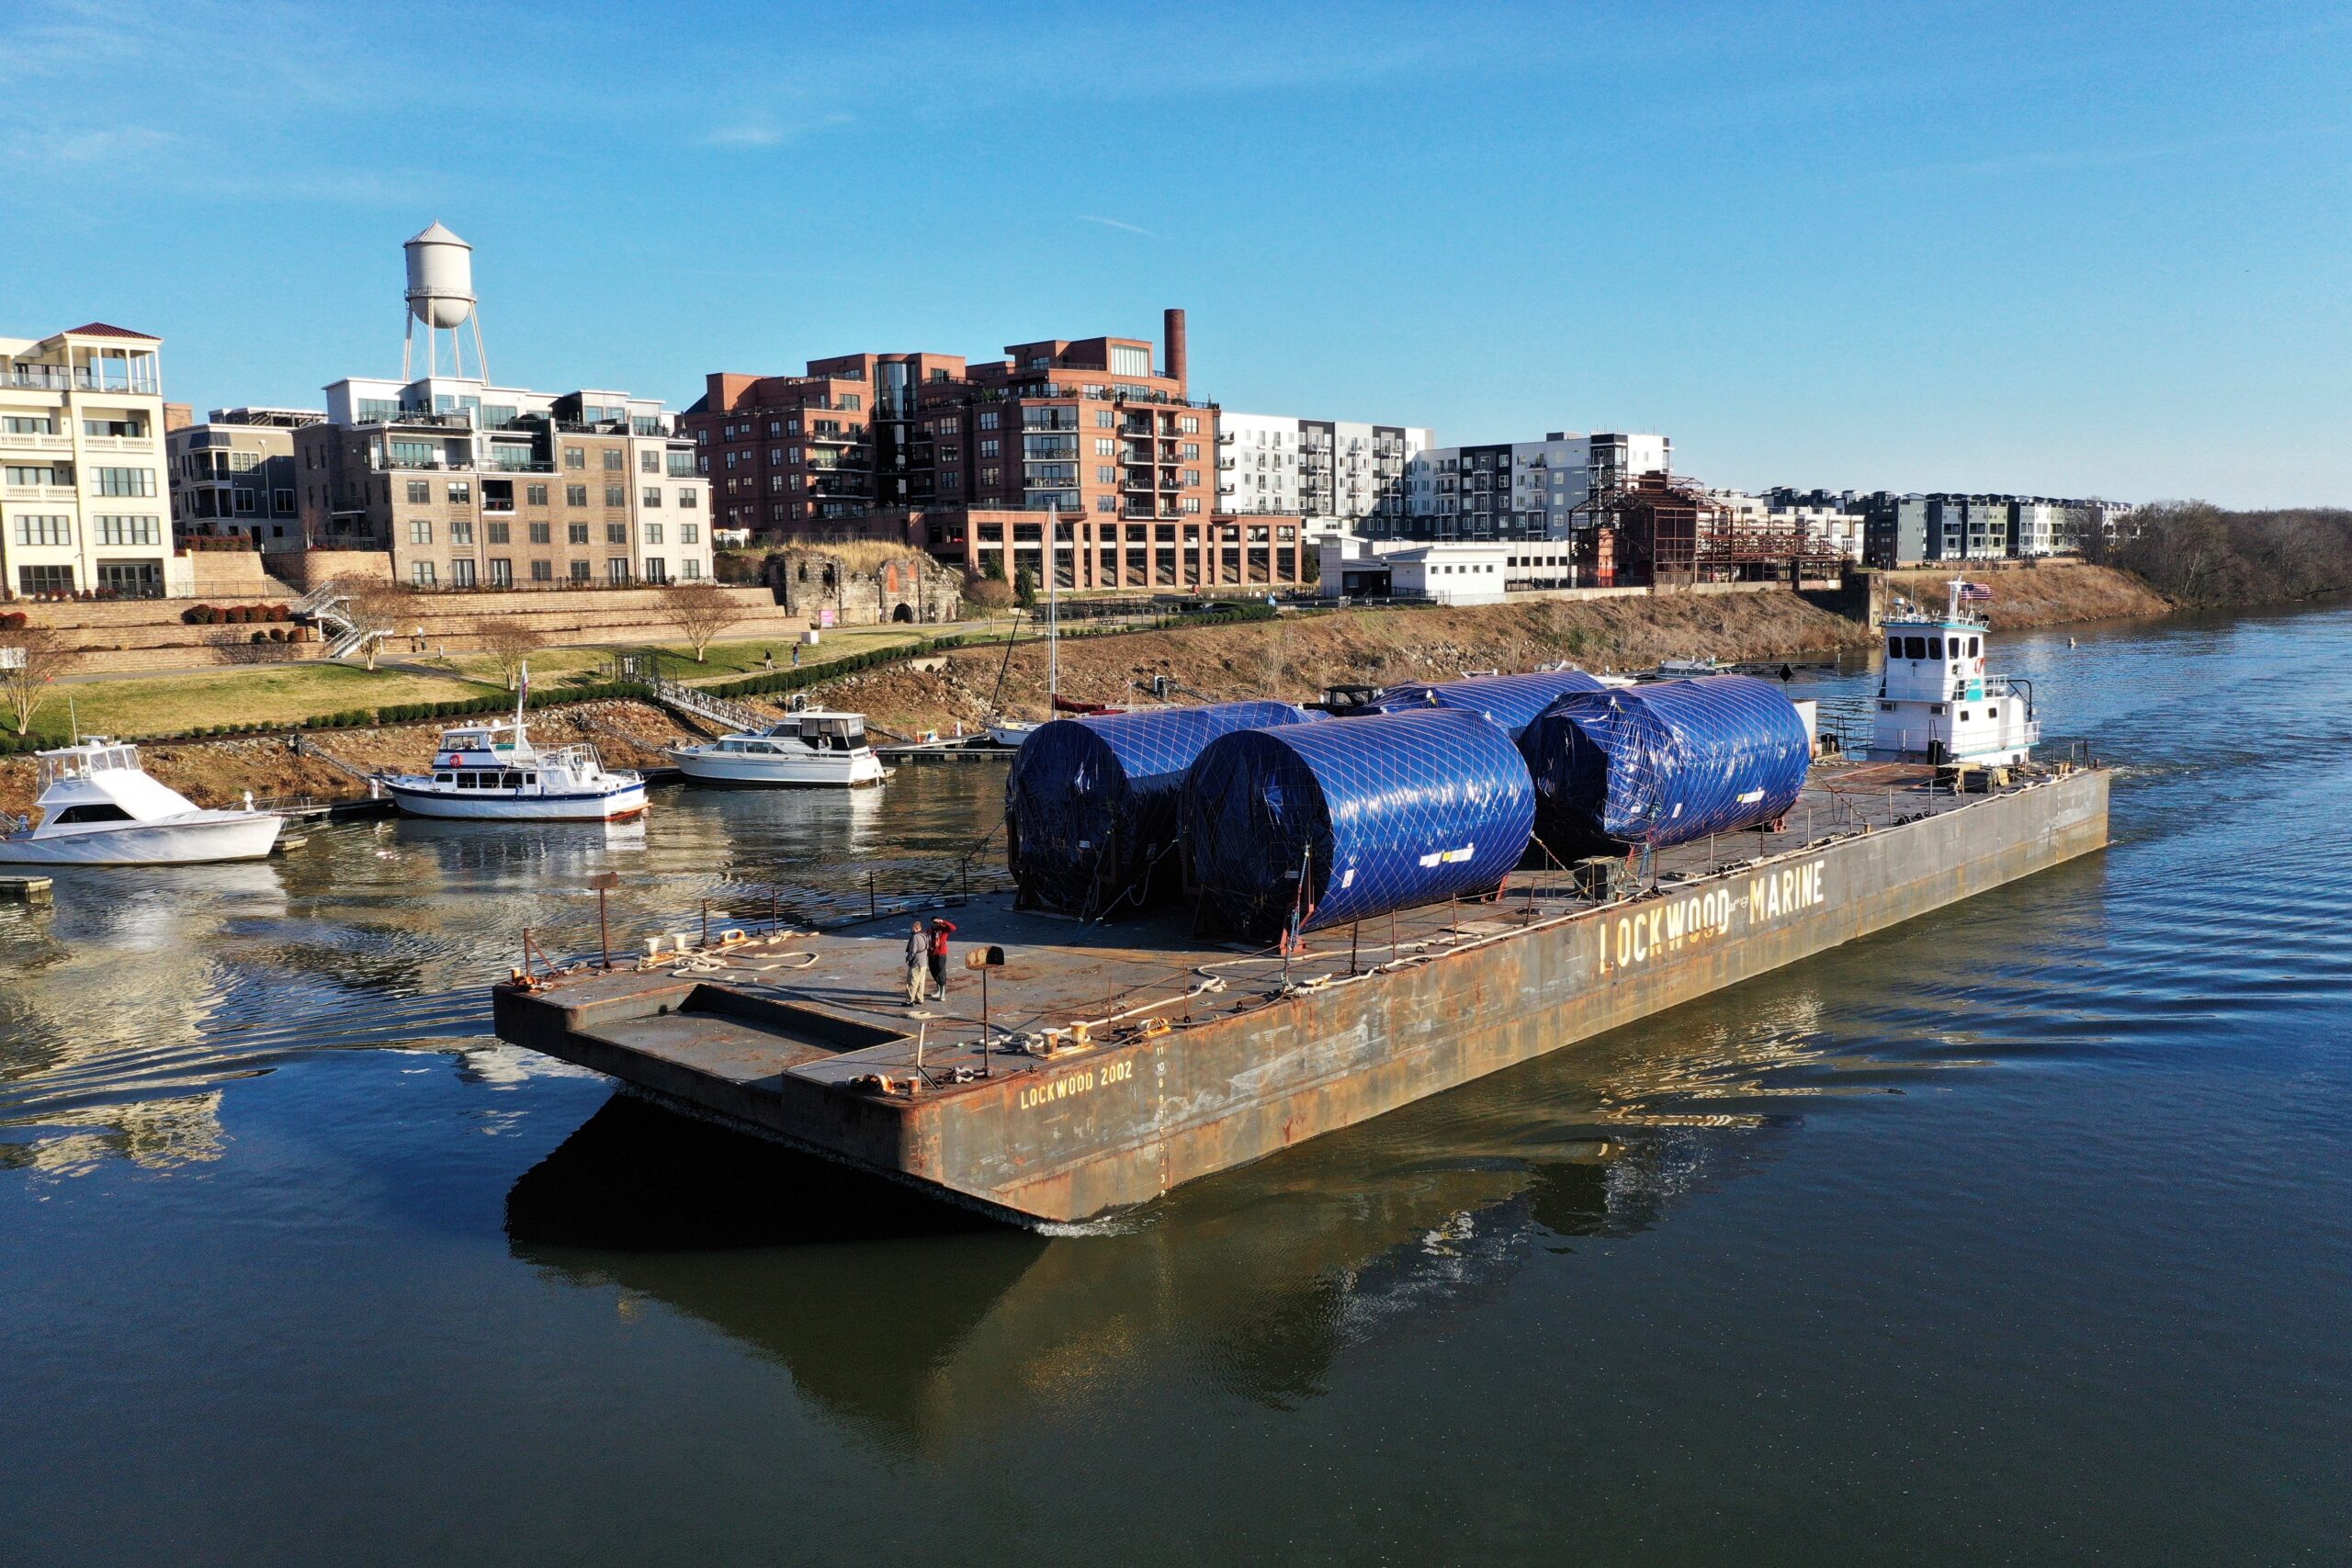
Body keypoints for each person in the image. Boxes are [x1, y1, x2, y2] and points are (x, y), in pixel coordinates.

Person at [927, 917, 957, 1000]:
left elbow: (953, 928)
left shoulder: (943, 930)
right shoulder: (929, 931)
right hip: (931, 954)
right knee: (934, 972)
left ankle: (942, 993)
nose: (935, 924)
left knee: (941, 972)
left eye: (936, 922)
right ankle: (938, 990)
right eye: (933, 922)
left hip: (941, 954)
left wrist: (943, 922)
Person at [903, 919, 928, 1008]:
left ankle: (909, 1001)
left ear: (917, 928)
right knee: (921, 982)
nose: (911, 930)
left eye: (912, 928)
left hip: (916, 963)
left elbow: (913, 951)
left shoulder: (915, 937)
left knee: (912, 982)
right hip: (924, 963)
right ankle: (920, 998)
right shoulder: (925, 935)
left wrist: (908, 959)